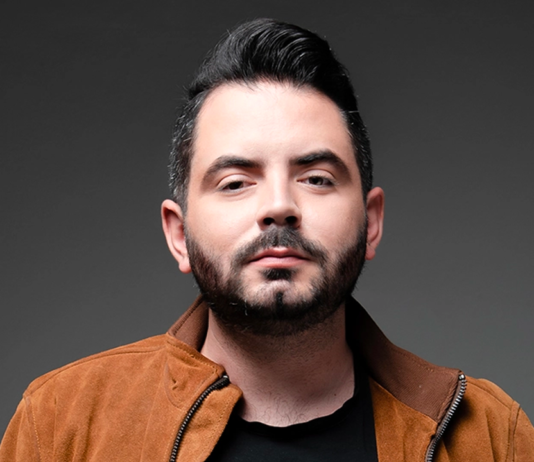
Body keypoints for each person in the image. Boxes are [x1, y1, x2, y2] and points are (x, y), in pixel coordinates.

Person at [1, 18, 533, 462]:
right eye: (236, 182)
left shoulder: (492, 436)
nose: (279, 205)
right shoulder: (62, 424)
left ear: (371, 223)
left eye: (316, 178)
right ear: (179, 234)